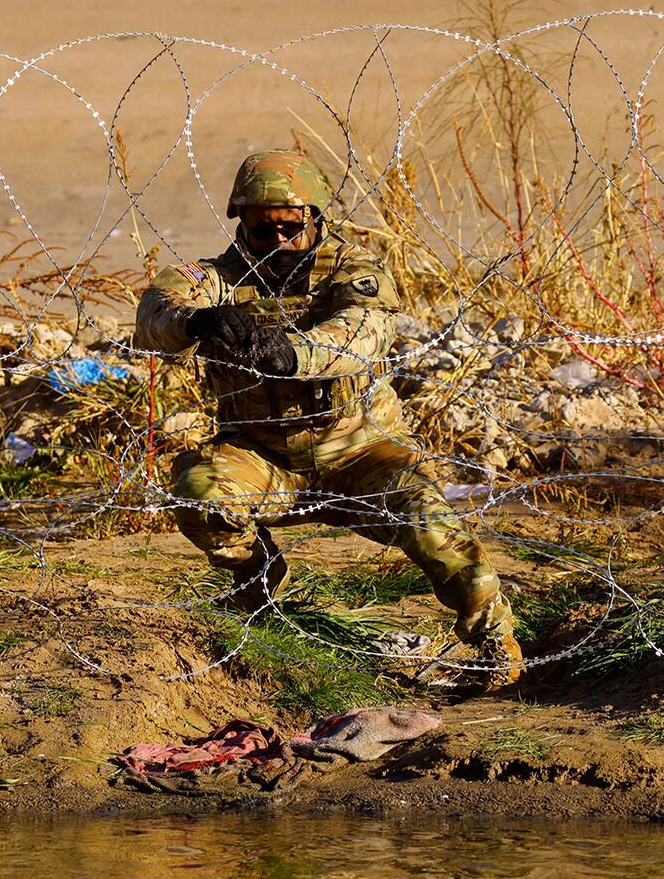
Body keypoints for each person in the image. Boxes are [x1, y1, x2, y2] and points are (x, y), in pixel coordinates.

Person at [135, 149, 523, 690]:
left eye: (291, 228)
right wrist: (197, 320)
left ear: (316, 220)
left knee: (432, 522)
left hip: (361, 454)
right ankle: (256, 582)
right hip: (264, 458)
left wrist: (290, 354)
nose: (277, 242)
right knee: (201, 494)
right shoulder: (215, 279)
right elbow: (154, 317)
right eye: (261, 228)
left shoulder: (354, 269)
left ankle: (495, 642)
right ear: (241, 223)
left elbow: (364, 333)